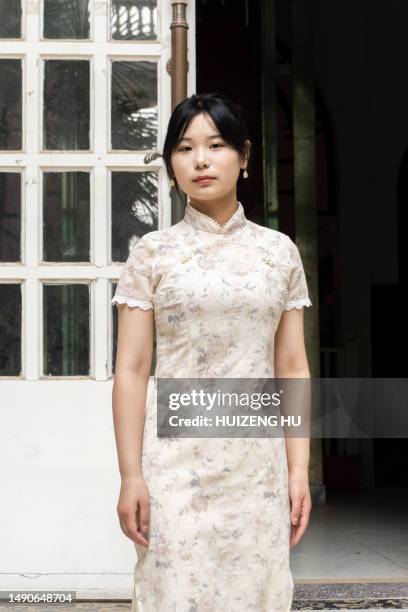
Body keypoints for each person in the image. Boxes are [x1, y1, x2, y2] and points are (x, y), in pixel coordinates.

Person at [111, 92, 312, 611]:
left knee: (257, 593)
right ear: (171, 164)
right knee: (173, 591)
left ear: (244, 157)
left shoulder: (278, 252)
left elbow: (291, 366)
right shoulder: (152, 254)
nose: (201, 160)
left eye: (217, 145)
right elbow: (132, 370)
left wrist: (297, 469)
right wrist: (131, 474)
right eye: (184, 148)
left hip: (256, 463)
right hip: (174, 465)